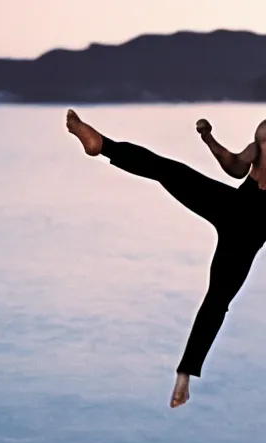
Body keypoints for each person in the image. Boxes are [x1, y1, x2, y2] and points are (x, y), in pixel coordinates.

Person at [66, 109, 266, 408]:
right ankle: (184, 374)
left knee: (168, 170)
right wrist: (208, 138)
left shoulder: (265, 130)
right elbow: (237, 166)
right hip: (253, 228)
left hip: (234, 208)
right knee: (216, 301)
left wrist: (209, 139)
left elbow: (236, 168)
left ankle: (102, 145)